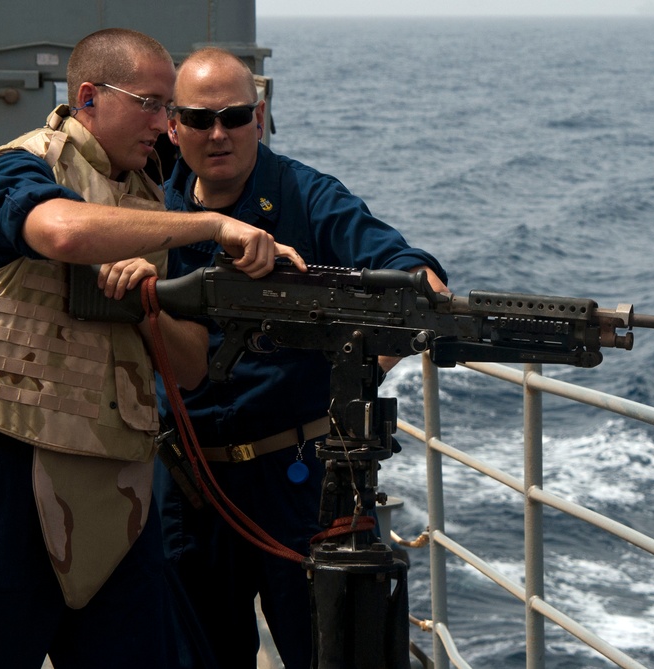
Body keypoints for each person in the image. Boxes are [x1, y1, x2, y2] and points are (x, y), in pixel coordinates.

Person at [0, 29, 303, 669]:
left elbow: (190, 368)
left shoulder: (144, 198)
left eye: (167, 107)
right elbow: (62, 232)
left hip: (118, 489)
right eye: (150, 104)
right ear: (90, 97)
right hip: (7, 470)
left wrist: (148, 305)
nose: (163, 123)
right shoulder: (15, 169)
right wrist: (211, 224)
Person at [153, 46, 449, 669]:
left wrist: (358, 366)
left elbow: (414, 277)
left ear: (259, 118)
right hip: (189, 484)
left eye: (235, 117)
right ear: (173, 126)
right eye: (200, 119)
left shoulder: (306, 196)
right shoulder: (147, 208)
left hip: (301, 480)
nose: (218, 133)